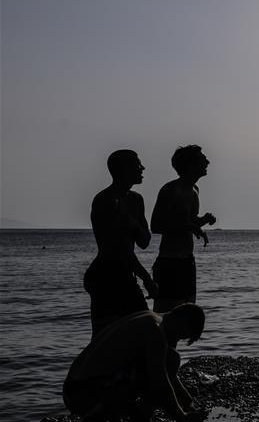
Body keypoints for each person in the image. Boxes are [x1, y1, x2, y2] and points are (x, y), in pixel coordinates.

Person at [63, 304, 207, 422]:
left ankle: (122, 411)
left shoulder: (150, 317)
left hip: (72, 387)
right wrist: (182, 417)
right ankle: (122, 415)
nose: (177, 340)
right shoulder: (156, 332)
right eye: (182, 335)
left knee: (168, 359)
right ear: (182, 322)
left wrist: (185, 397)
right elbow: (160, 380)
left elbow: (160, 368)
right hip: (82, 396)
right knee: (172, 359)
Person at [85, 150, 159, 335]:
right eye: (137, 165)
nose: (142, 168)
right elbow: (116, 250)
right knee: (105, 336)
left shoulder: (136, 200)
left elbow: (144, 241)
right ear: (123, 169)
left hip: (125, 274)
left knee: (144, 330)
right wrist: (147, 278)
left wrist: (132, 223)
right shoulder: (104, 200)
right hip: (105, 277)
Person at [151, 145, 216, 312]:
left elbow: (188, 223)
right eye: (203, 159)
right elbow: (156, 226)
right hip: (170, 262)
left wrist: (203, 221)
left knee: (186, 316)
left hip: (188, 262)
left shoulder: (195, 190)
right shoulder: (171, 190)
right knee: (166, 316)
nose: (208, 161)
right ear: (191, 165)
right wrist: (191, 226)